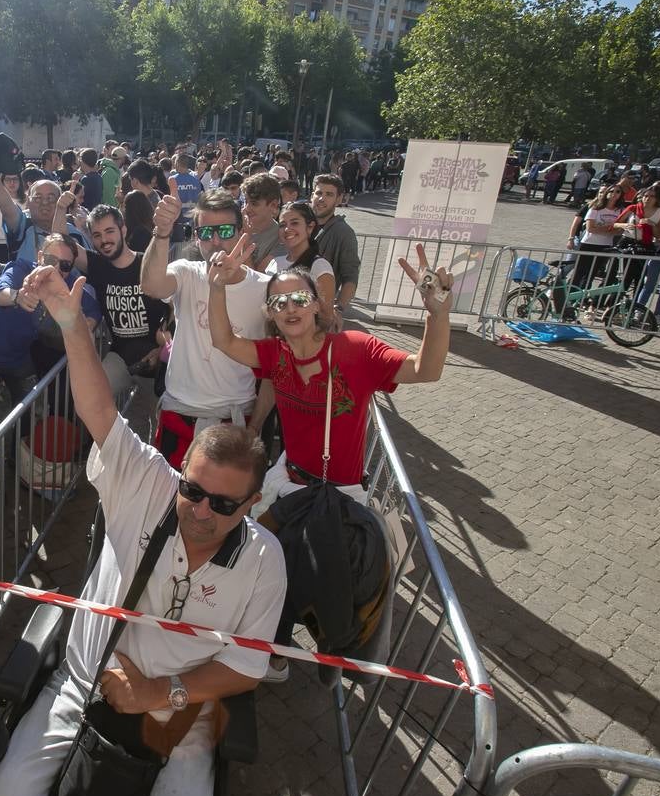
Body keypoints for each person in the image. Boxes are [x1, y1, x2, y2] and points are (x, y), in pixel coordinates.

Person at [0, 261, 286, 796]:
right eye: (193, 490)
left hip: (182, 716)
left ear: (251, 506)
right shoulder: (148, 483)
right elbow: (98, 411)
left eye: (222, 504)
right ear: (179, 471)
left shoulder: (266, 560)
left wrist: (158, 694)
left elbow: (246, 666)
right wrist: (73, 326)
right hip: (83, 683)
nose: (200, 510)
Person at [205, 240, 451, 682]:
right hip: (290, 484)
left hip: (342, 496)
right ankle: (273, 656)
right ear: (271, 314)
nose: (290, 307)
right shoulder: (274, 356)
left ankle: (334, 660)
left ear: (318, 304)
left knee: (338, 587)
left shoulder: (355, 349)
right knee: (258, 571)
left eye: (299, 298)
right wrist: (218, 285)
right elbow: (223, 339)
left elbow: (426, 369)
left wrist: (437, 312)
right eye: (279, 302)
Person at [142, 193, 269, 468]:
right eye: (205, 232)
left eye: (224, 231)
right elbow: (152, 286)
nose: (215, 241)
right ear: (196, 237)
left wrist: (255, 425)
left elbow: (274, 367)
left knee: (223, 505)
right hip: (180, 411)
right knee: (173, 497)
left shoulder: (264, 289)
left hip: (234, 418)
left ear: (241, 230)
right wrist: (162, 232)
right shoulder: (187, 272)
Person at [0, 234, 101, 433]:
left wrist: (79, 329)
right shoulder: (22, 268)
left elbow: (92, 313)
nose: (56, 269)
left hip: (15, 357)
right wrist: (17, 296)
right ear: (40, 257)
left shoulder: (70, 286)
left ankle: (16, 457)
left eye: (65, 265)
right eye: (50, 260)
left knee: (34, 410)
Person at [85, 205, 169, 396]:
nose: (104, 240)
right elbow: (65, 245)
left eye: (109, 231)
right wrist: (60, 207)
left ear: (123, 230)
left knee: (156, 416)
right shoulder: (97, 266)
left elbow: (173, 308)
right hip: (120, 357)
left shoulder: (147, 265)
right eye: (97, 235)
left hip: (158, 360)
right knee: (94, 396)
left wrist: (163, 349)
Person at [0, 157, 78, 266]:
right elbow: (5, 206)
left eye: (51, 198)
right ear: (28, 202)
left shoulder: (73, 231)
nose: (44, 203)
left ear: (60, 201)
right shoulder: (23, 225)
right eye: (38, 198)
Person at [266, 201, 338, 331]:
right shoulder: (274, 262)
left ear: (310, 227)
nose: (287, 229)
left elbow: (326, 318)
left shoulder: (320, 267)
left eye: (294, 223)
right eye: (282, 225)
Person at [307, 174, 360, 320]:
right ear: (312, 196)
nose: (322, 198)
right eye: (318, 193)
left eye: (329, 194)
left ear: (338, 199)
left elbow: (350, 276)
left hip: (317, 314)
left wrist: (339, 309)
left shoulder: (344, 233)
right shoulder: (298, 224)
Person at [569, 185, 623, 294]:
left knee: (591, 273)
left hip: (606, 245)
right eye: (611, 191)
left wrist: (604, 229)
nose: (614, 194)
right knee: (579, 272)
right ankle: (569, 296)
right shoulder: (596, 208)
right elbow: (590, 228)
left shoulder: (619, 211)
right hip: (589, 243)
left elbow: (619, 230)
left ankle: (580, 297)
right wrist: (609, 229)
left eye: (618, 192)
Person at [241, 173, 283, 271]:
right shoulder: (236, 227)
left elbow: (256, 280)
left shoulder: (281, 238)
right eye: (245, 201)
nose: (247, 208)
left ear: (273, 205)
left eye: (254, 204)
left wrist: (245, 239)